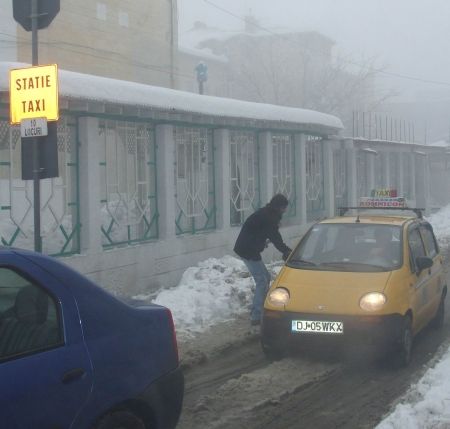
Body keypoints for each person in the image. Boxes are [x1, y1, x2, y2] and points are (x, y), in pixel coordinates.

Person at [234, 194, 292, 325]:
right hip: (247, 250)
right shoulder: (269, 218)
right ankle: (256, 315)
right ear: (279, 207)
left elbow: (262, 233)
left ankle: (262, 310)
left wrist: (261, 241)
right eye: (284, 208)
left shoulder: (267, 214)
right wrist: (286, 251)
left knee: (265, 277)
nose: (285, 211)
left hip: (248, 248)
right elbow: (275, 237)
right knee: (262, 280)